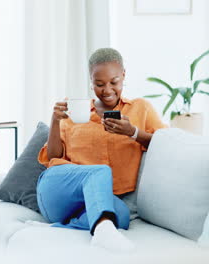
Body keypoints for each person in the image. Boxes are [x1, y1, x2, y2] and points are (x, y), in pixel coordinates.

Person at [36, 48, 167, 253]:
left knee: (120, 216)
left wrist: (133, 132)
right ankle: (103, 231)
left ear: (123, 75)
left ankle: (92, 228)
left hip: (94, 203)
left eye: (114, 82)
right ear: (91, 80)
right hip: (57, 191)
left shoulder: (141, 109)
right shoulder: (75, 111)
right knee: (99, 171)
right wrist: (54, 121)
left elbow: (166, 144)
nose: (107, 90)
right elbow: (53, 158)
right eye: (99, 84)